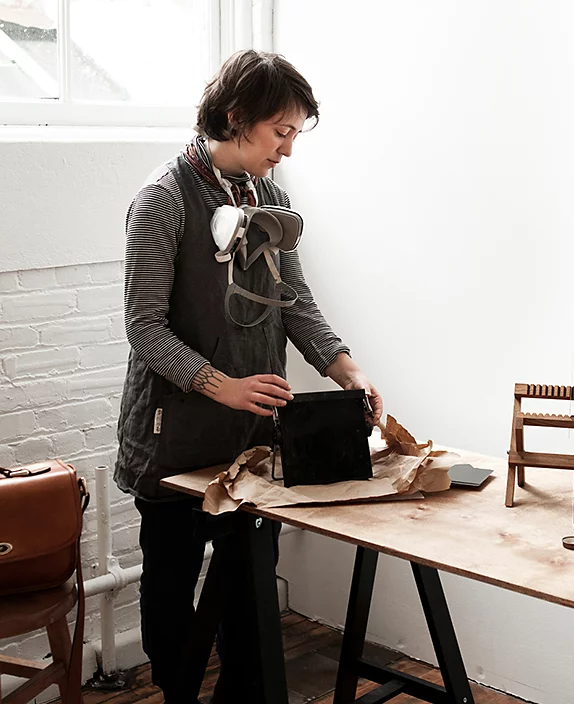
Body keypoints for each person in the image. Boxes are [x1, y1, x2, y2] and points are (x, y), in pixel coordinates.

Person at [114, 49, 383, 703]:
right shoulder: (162, 200)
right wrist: (220, 385)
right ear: (237, 117)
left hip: (255, 443)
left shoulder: (274, 200)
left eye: (295, 134)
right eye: (280, 132)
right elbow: (144, 328)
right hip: (174, 444)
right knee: (173, 600)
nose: (287, 149)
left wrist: (344, 366)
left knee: (249, 596)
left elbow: (294, 301)